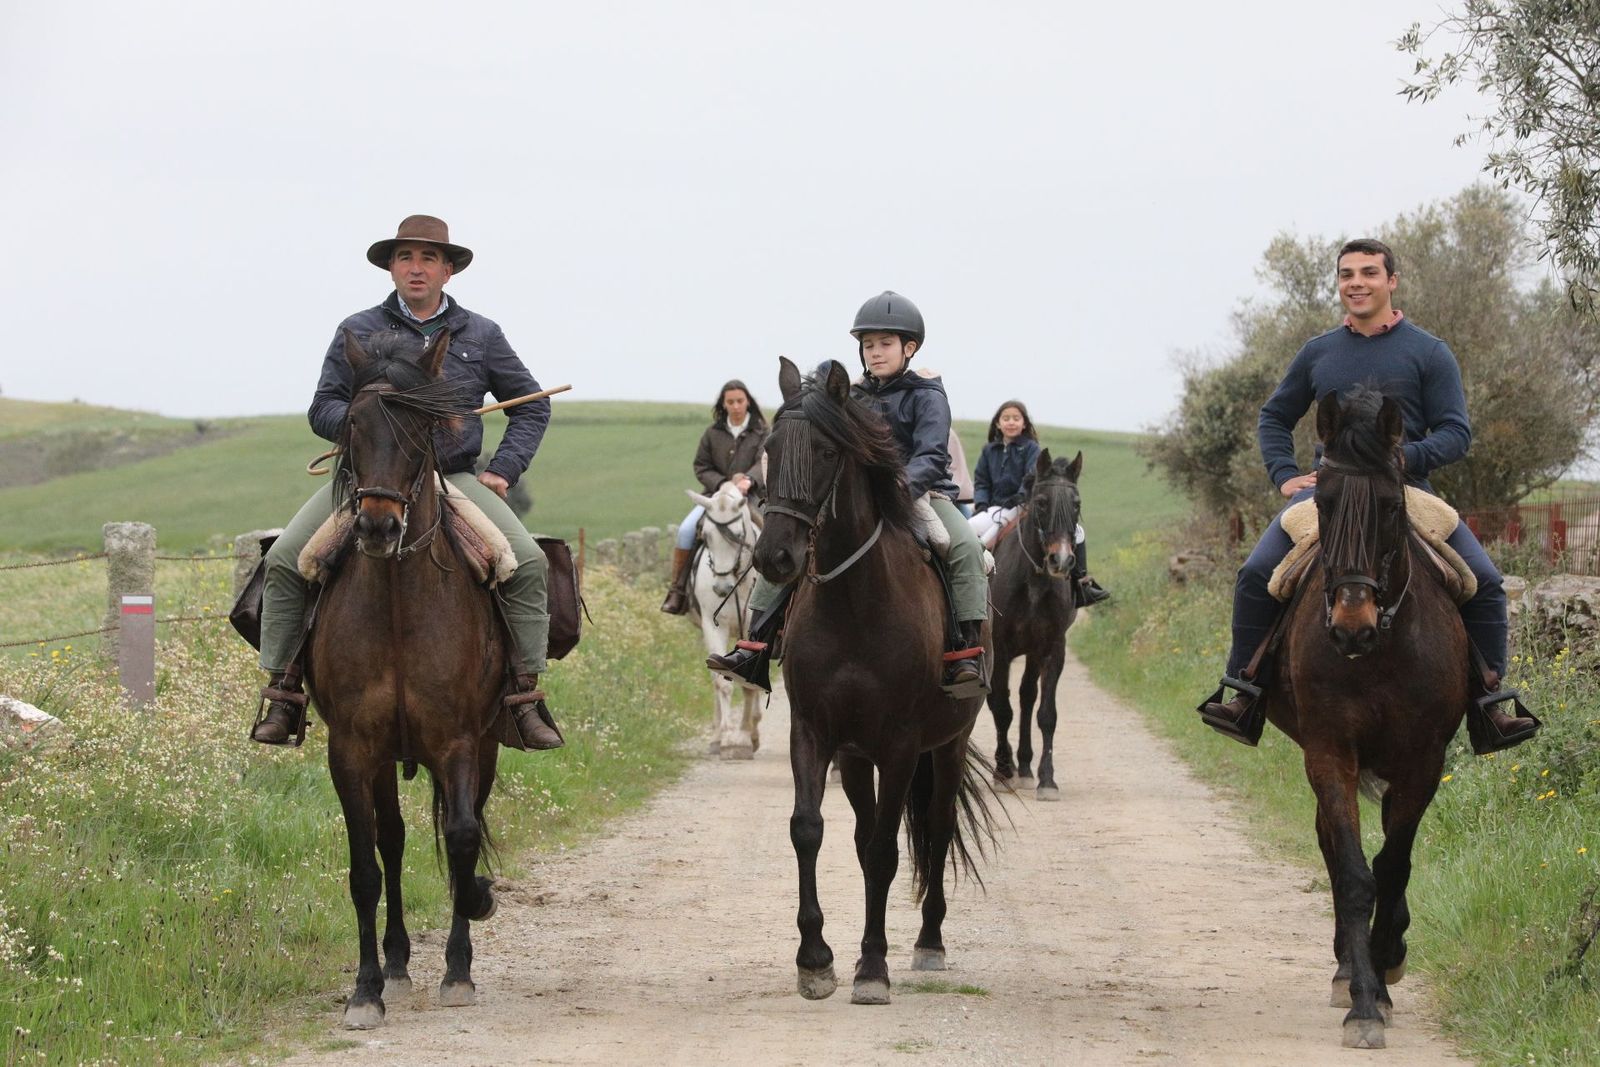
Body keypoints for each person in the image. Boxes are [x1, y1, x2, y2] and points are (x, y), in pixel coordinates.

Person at [1201, 238, 1539, 748]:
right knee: (1254, 575)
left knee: (1487, 582)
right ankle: (1243, 693)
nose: (1356, 282)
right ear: (1339, 283)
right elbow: (1274, 415)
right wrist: (1285, 474)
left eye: (1368, 273)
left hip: (1406, 493)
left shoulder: (1429, 352)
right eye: (1347, 274)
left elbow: (1456, 432)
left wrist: (1406, 459)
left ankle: (1490, 706)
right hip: (1326, 497)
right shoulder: (1317, 353)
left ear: (1391, 282)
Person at [250, 215, 563, 751]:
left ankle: (523, 696)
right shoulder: (358, 328)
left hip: (455, 475)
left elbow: (533, 406)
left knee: (529, 563)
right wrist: (362, 422)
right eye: (404, 258)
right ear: (391, 268)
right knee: (283, 561)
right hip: (371, 477)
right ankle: (283, 692)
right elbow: (322, 407)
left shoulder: (481, 334)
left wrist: (502, 470)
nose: (415, 268)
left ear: (448, 270)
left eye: (427, 259)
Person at [706, 291, 990, 697]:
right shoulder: (854, 394)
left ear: (909, 348)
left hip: (919, 496)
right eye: (868, 345)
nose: (875, 352)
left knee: (963, 546)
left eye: (885, 344)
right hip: (854, 499)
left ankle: (965, 653)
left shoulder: (928, 395)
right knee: (788, 540)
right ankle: (755, 645)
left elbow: (930, 455)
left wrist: (898, 487)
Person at [969, 400, 1110, 605]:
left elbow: (1033, 475)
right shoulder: (989, 451)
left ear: (1024, 423)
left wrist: (1020, 495)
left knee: (1079, 533)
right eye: (1006, 418)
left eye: (1016, 418)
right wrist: (981, 503)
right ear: (998, 423)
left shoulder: (1031, 448)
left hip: (1024, 504)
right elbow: (981, 480)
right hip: (995, 507)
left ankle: (1082, 585)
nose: (1011, 422)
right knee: (970, 529)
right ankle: (964, 583)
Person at [660, 380, 767, 614]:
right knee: (687, 530)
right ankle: (678, 591)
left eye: (740, 401)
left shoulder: (761, 432)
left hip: (751, 497)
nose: (736, 406)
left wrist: (748, 480)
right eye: (731, 402)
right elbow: (701, 465)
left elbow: (764, 461)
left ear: (748, 401)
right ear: (724, 404)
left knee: (772, 536)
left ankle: (780, 599)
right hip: (715, 497)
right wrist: (721, 484)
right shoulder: (712, 433)